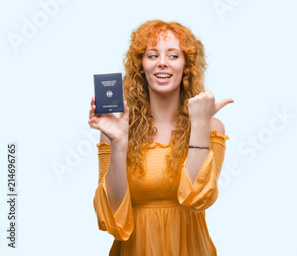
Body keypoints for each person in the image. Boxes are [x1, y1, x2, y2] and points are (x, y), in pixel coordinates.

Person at [87, 19, 233, 256]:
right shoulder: (114, 131)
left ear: (187, 66)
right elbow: (114, 218)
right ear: (140, 66)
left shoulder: (210, 126)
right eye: (153, 55)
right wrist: (119, 143)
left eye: (173, 56)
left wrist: (199, 123)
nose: (162, 63)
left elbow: (198, 199)